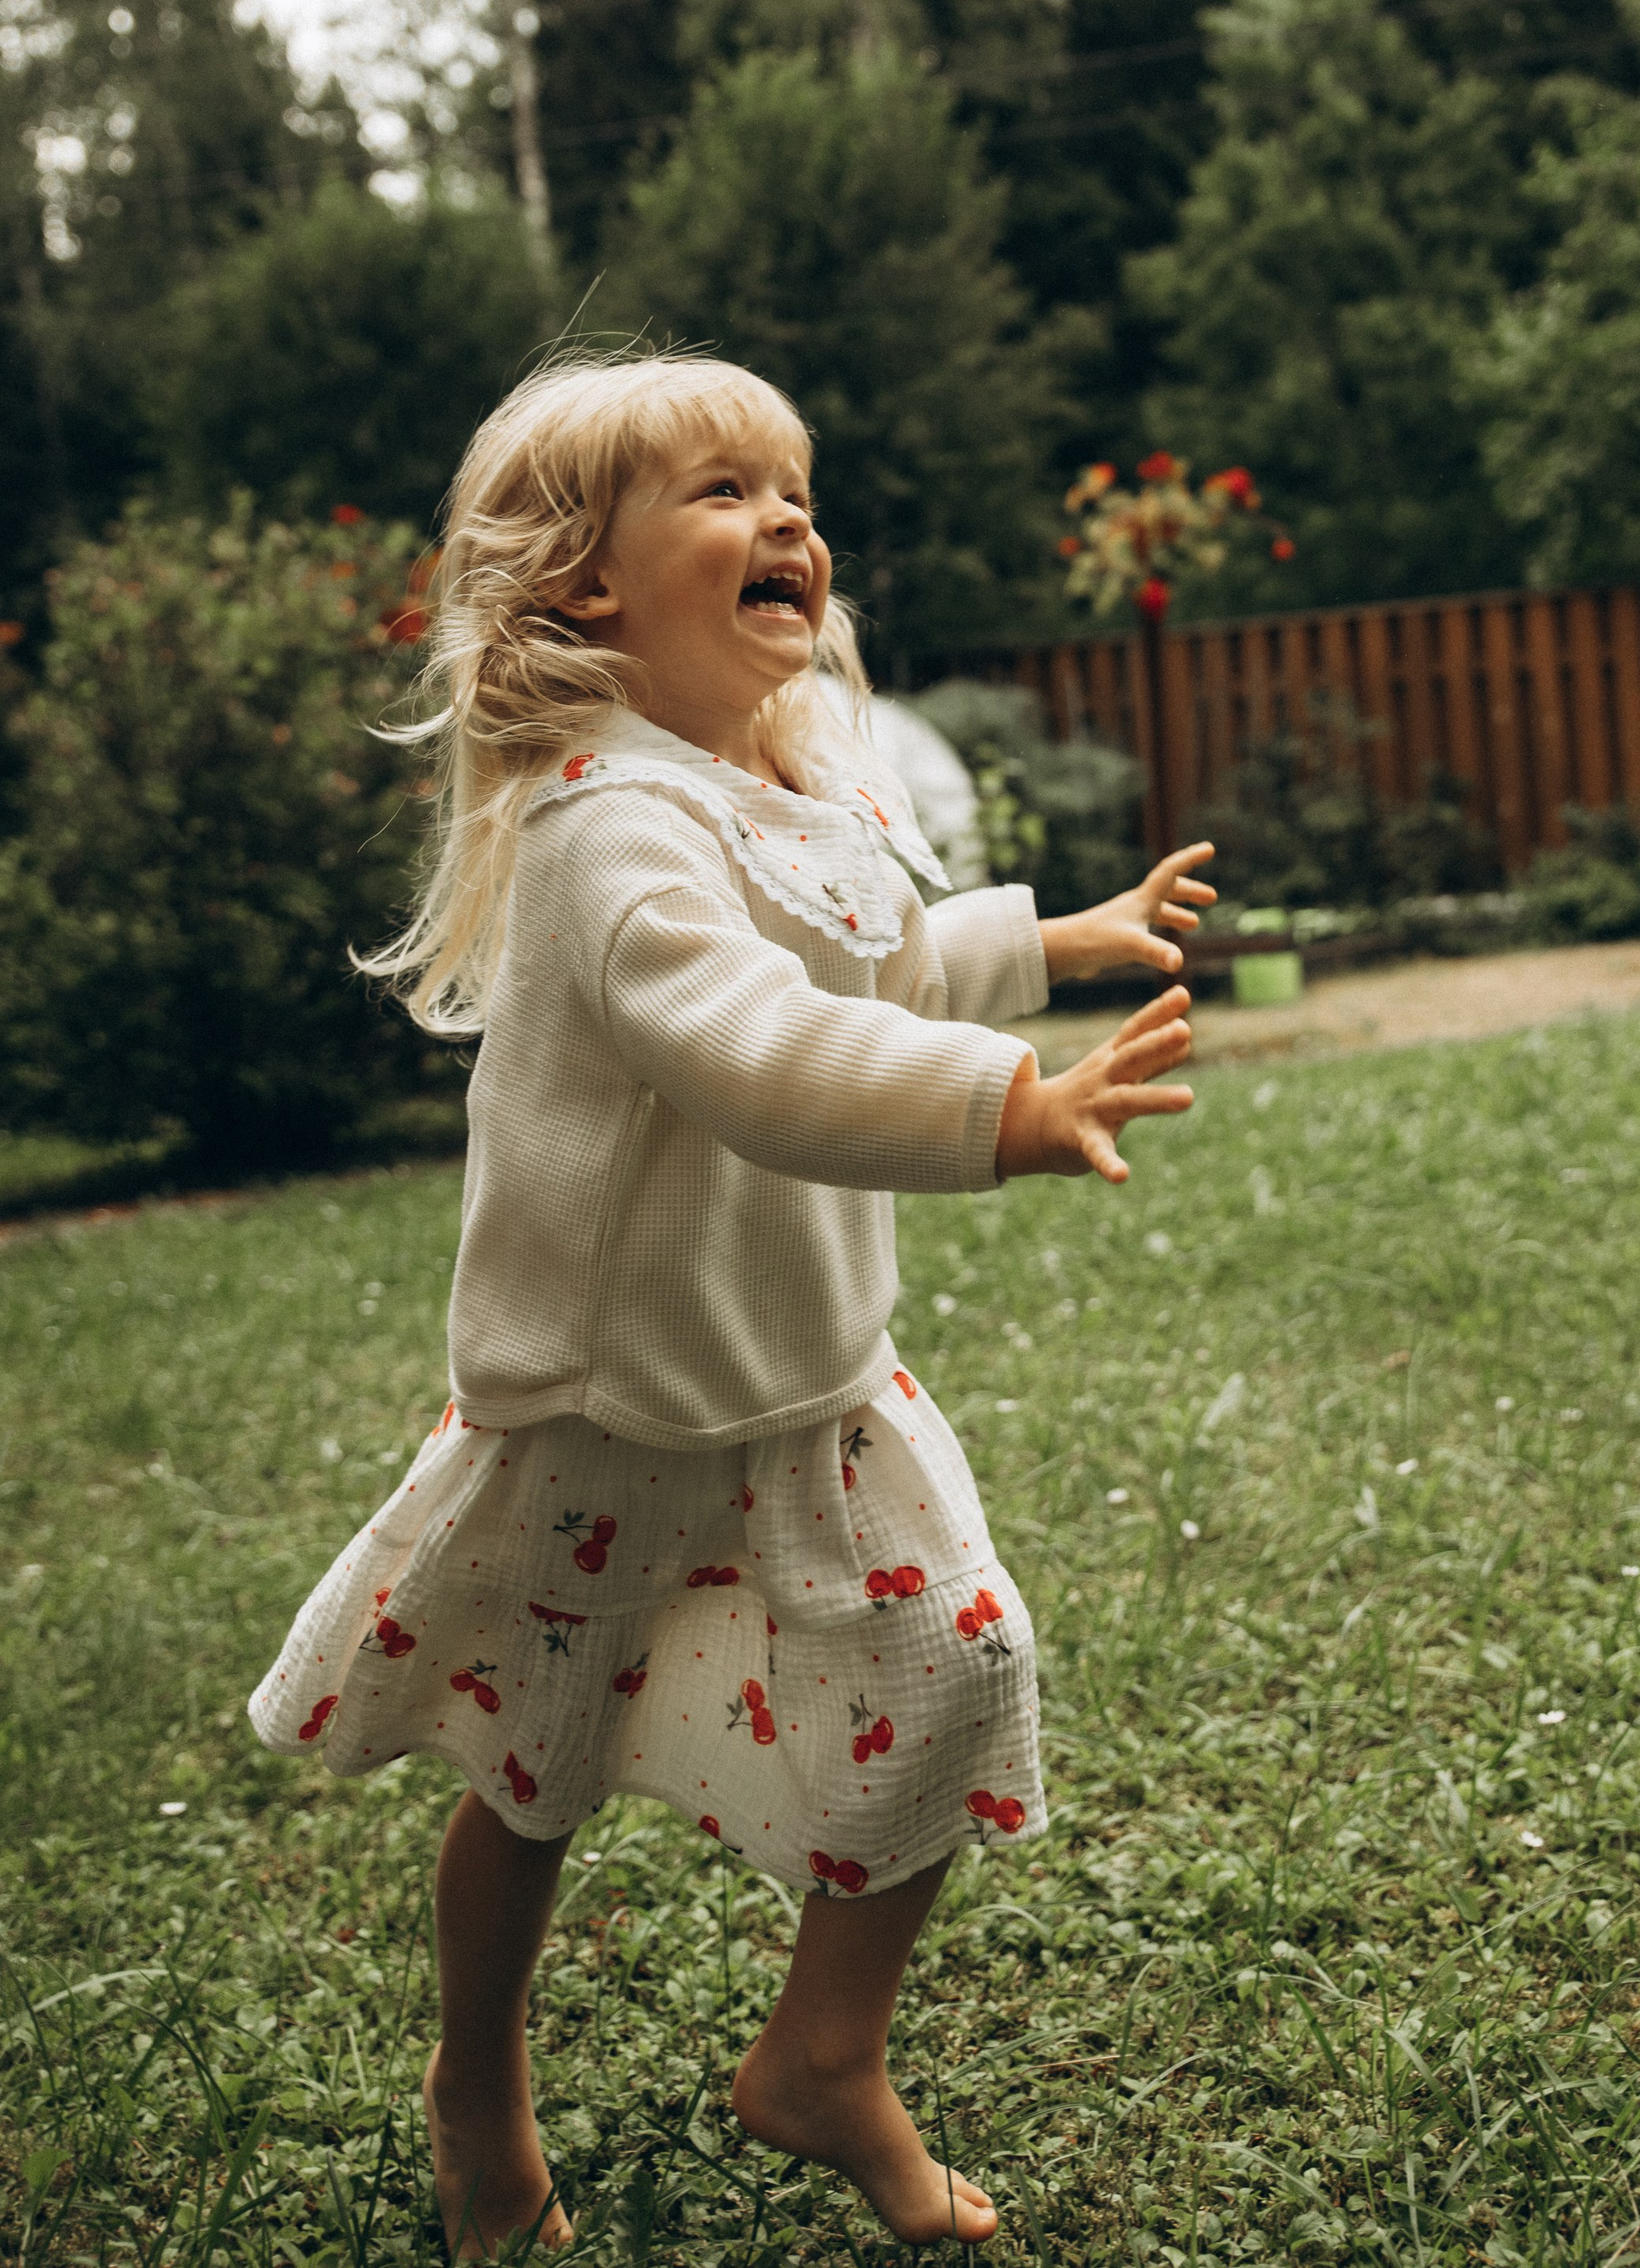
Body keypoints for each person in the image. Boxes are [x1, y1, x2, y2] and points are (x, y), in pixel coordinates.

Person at [249, 352, 1215, 2253]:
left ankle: (819, 2057)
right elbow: (762, 1046)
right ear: (585, 581)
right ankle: (475, 2079)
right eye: (721, 490)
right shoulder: (603, 830)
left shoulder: (780, 781)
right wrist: (1001, 1113)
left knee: (962, 1664)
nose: (786, 519)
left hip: (801, 1378)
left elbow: (857, 953)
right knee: (537, 1776)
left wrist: (1043, 938)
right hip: (606, 1401)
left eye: (795, 486)